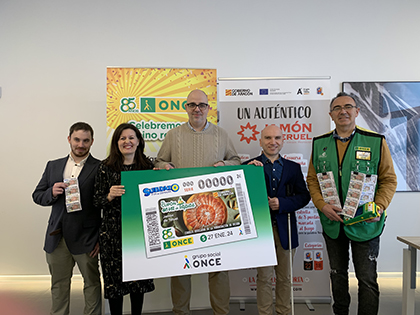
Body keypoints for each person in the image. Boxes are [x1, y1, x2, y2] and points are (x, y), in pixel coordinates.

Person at [306, 92, 397, 315]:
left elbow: (388, 179)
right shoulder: (320, 144)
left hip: (365, 223)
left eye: (348, 106)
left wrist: (379, 206)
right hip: (333, 223)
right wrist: (322, 205)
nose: (343, 111)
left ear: (357, 111)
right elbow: (312, 179)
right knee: (337, 274)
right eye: (337, 108)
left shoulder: (375, 141)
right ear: (331, 114)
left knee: (366, 279)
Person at [155, 89, 241, 315]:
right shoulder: (173, 135)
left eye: (202, 105)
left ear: (208, 108)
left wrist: (225, 165)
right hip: (184, 212)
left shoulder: (221, 134)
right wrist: (164, 166)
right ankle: (181, 312)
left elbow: (236, 160)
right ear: (185, 107)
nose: (197, 109)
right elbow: (160, 160)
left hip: (216, 212)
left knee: (219, 268)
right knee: (182, 267)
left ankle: (221, 312)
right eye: (192, 105)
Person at [32, 122, 102, 315]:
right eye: (77, 139)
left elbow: (106, 204)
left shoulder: (101, 167)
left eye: (86, 141)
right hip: (57, 237)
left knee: (92, 284)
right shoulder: (53, 166)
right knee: (59, 286)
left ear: (92, 142)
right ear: (69, 139)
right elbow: (37, 195)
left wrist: (99, 237)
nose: (81, 144)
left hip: (86, 238)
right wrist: (51, 193)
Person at [243, 124, 310, 315]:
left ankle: (284, 312)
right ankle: (264, 312)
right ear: (260, 141)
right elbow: (238, 194)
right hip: (261, 231)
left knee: (285, 277)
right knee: (263, 277)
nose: (273, 142)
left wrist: (282, 203)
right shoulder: (249, 166)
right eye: (268, 138)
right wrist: (247, 173)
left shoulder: (293, 168)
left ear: (283, 141)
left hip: (286, 228)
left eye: (277, 138)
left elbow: (304, 196)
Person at [93, 123, 154, 315]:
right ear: (116, 142)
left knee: (138, 283)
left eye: (131, 137)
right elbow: (96, 201)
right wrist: (109, 195)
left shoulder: (149, 167)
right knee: (114, 285)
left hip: (140, 233)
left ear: (138, 141)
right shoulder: (105, 167)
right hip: (112, 235)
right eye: (122, 138)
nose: (127, 141)